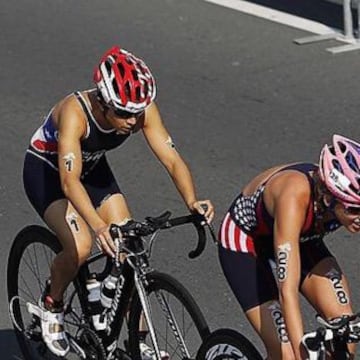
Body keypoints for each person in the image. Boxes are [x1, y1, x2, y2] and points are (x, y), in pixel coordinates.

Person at [23, 46, 214, 357]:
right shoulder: (75, 114)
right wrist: (98, 227)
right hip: (48, 171)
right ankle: (52, 302)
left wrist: (192, 200)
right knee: (81, 246)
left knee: (128, 245)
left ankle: (134, 339)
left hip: (93, 167)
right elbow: (69, 182)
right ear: (102, 101)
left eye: (137, 112)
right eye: (123, 114)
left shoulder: (141, 111)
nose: (131, 121)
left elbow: (171, 159)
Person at [218, 134, 360, 359]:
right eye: (354, 209)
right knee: (287, 353)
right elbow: (288, 291)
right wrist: (301, 351)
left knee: (345, 333)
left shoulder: (338, 199)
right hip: (247, 242)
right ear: (328, 199)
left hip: (301, 240)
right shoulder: (294, 196)